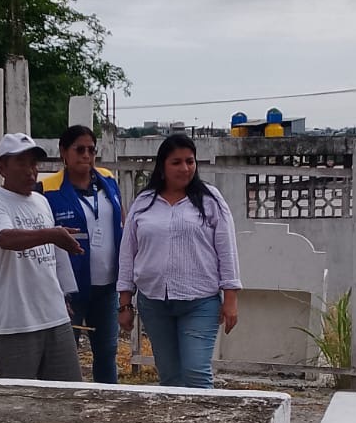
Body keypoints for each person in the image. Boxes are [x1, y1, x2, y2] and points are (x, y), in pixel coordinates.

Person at [117, 134, 241, 390]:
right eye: (176, 162)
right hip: (154, 302)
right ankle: (175, 418)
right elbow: (128, 253)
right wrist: (125, 302)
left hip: (199, 302)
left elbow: (227, 250)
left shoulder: (210, 200)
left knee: (196, 373)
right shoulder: (144, 202)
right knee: (170, 377)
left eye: (190, 161)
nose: (184, 168)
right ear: (162, 166)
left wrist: (230, 298)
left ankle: (204, 417)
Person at [0, 132, 85, 382]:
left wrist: (64, 295)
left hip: (54, 316)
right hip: (15, 322)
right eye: (21, 163)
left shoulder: (41, 201)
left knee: (68, 393)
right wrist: (51, 234)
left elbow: (55, 257)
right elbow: (5, 238)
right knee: (19, 398)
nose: (30, 171)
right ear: (2, 168)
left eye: (33, 164)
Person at [40, 125, 125, 384]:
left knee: (107, 353)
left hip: (107, 287)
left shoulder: (108, 180)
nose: (86, 155)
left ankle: (107, 401)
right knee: (65, 355)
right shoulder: (47, 189)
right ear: (63, 152)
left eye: (91, 150)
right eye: (79, 149)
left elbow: (120, 219)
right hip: (69, 289)